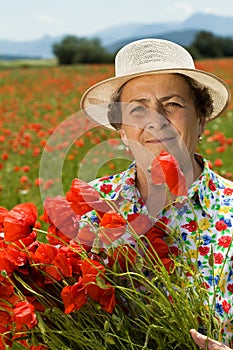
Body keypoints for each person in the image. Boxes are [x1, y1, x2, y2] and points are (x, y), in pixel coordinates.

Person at [79, 38, 233, 349]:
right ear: (121, 129)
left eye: (173, 104)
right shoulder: (91, 209)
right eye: (137, 109)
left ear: (201, 118)